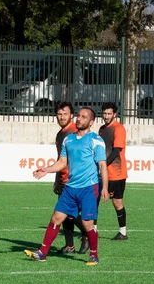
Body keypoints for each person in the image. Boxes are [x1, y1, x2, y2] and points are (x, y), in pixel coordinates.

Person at [25, 107, 109, 266]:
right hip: (70, 188)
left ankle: (94, 255)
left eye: (83, 117)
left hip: (89, 188)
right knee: (56, 218)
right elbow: (62, 163)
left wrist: (104, 187)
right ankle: (42, 253)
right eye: (78, 115)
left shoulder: (96, 140)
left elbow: (103, 166)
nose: (79, 119)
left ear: (91, 122)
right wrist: (46, 170)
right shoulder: (68, 140)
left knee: (87, 223)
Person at [53, 102, 89, 255]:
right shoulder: (61, 134)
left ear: (71, 115)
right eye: (59, 114)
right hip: (64, 179)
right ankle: (70, 245)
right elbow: (60, 158)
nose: (62, 117)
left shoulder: (75, 133)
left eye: (65, 114)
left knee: (68, 213)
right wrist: (57, 179)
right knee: (67, 215)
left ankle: (88, 233)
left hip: (74, 181)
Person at [98, 102, 128, 240]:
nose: (106, 116)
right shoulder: (102, 129)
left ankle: (123, 232)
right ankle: (92, 230)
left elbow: (116, 151)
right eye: (104, 113)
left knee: (117, 202)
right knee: (94, 200)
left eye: (109, 113)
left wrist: (103, 164)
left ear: (114, 114)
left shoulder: (119, 129)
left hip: (116, 173)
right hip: (101, 173)